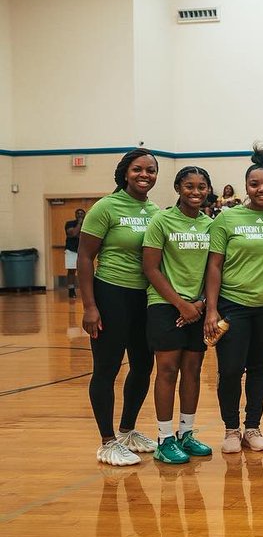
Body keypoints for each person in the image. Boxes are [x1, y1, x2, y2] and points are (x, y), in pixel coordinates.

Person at [78, 148, 161, 466]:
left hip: (145, 297)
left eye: (151, 170)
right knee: (107, 367)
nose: (145, 175)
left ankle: (127, 431)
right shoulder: (106, 207)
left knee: (143, 365)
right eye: (138, 169)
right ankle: (106, 441)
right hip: (111, 293)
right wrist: (90, 306)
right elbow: (85, 258)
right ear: (125, 172)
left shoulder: (155, 210)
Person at [204, 146, 263, 454]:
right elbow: (214, 265)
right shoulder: (227, 219)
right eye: (255, 184)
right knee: (230, 369)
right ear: (246, 187)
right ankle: (230, 429)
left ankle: (253, 428)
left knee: (259, 368)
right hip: (232, 305)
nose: (262, 189)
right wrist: (211, 309)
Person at [142, 165, 214, 464]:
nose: (195, 192)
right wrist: (180, 304)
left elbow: (213, 269)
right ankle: (164, 437)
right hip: (164, 304)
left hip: (197, 307)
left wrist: (198, 304)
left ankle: (186, 433)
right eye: (189, 186)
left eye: (201, 187)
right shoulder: (162, 220)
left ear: (208, 189)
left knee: (193, 371)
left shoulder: (211, 225)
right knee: (168, 370)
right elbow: (151, 268)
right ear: (177, 188)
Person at [64, 208, 85, 299]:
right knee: (71, 270)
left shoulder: (88, 224)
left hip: (83, 250)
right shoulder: (69, 223)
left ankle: (85, 290)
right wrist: (79, 224)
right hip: (71, 250)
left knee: (84, 271)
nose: (80, 215)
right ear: (75, 215)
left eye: (82, 213)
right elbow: (73, 233)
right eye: (78, 213)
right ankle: (71, 290)